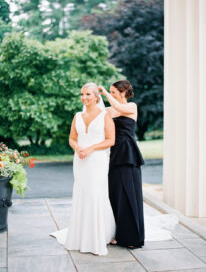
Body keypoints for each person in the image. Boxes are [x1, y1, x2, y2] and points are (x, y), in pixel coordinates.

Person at [50, 83, 116, 256]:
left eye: (88, 94)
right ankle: (80, 236)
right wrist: (77, 148)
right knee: (81, 193)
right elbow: (72, 138)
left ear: (96, 97)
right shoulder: (77, 116)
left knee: (95, 193)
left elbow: (111, 140)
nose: (84, 97)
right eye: (82, 94)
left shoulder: (104, 116)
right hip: (80, 160)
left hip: (97, 160)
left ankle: (97, 237)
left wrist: (91, 148)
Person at [98, 80, 145, 249]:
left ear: (123, 92)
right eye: (110, 92)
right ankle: (116, 233)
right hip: (113, 153)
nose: (111, 94)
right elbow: (100, 116)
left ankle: (132, 237)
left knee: (129, 194)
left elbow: (119, 108)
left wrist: (105, 93)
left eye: (114, 92)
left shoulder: (131, 106)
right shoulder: (110, 109)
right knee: (115, 194)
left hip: (128, 153)